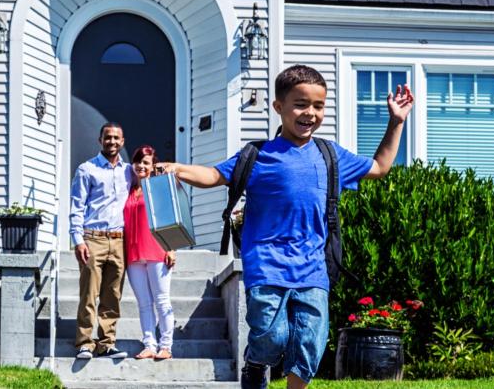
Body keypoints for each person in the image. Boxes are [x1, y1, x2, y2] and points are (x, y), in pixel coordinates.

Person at [158, 64, 413, 389]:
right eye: (300, 104)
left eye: (318, 106)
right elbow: (213, 176)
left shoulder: (329, 155)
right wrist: (178, 168)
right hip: (266, 265)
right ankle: (255, 363)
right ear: (279, 107)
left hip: (313, 269)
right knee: (272, 338)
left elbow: (380, 167)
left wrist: (396, 121)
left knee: (309, 345)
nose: (310, 113)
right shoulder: (258, 154)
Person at [69, 122, 134, 360]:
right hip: (93, 239)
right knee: (89, 293)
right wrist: (78, 240)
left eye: (116, 138)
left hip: (119, 241)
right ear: (100, 140)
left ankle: (107, 343)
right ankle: (85, 343)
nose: (112, 142)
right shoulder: (87, 169)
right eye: (108, 138)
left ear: (123, 141)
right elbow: (76, 207)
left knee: (112, 294)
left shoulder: (129, 171)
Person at [123, 145, 177, 360]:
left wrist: (172, 248)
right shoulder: (128, 190)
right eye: (138, 162)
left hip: (157, 250)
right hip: (133, 254)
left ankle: (166, 346)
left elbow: (170, 217)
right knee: (144, 303)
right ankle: (149, 345)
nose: (141, 166)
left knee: (162, 300)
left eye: (146, 162)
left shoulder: (158, 187)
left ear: (153, 165)